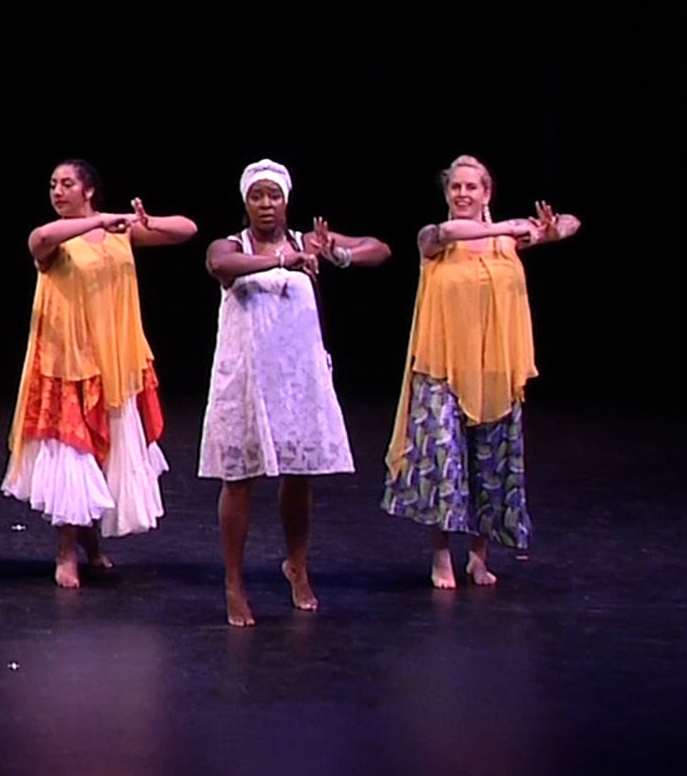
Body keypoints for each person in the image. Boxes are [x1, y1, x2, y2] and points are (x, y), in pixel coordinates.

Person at [201, 159, 391, 626]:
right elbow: (219, 264)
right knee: (239, 478)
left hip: (296, 378)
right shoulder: (235, 245)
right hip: (246, 379)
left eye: (274, 196)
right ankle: (233, 582)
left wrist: (338, 254)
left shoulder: (308, 242)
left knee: (299, 474)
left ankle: (297, 566)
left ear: (287, 201)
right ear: (246, 202)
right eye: (257, 196)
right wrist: (283, 260)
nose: (266, 204)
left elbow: (379, 249)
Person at [380, 154, 581, 589]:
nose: (463, 193)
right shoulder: (434, 238)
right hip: (441, 368)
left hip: (494, 368)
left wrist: (549, 232)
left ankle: (478, 556)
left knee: (488, 466)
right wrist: (509, 227)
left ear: (486, 193)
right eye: (456, 187)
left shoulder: (506, 242)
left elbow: (571, 222)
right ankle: (441, 557)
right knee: (444, 463)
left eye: (472, 187)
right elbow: (449, 232)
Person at [2, 159, 198, 588]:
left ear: (88, 190)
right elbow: (38, 240)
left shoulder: (119, 233)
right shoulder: (57, 238)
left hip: (115, 360)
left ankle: (91, 546)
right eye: (53, 184)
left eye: (67, 184)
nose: (57, 191)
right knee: (74, 454)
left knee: (104, 452)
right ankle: (66, 552)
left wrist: (144, 221)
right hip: (69, 361)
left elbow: (187, 229)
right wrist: (100, 221)